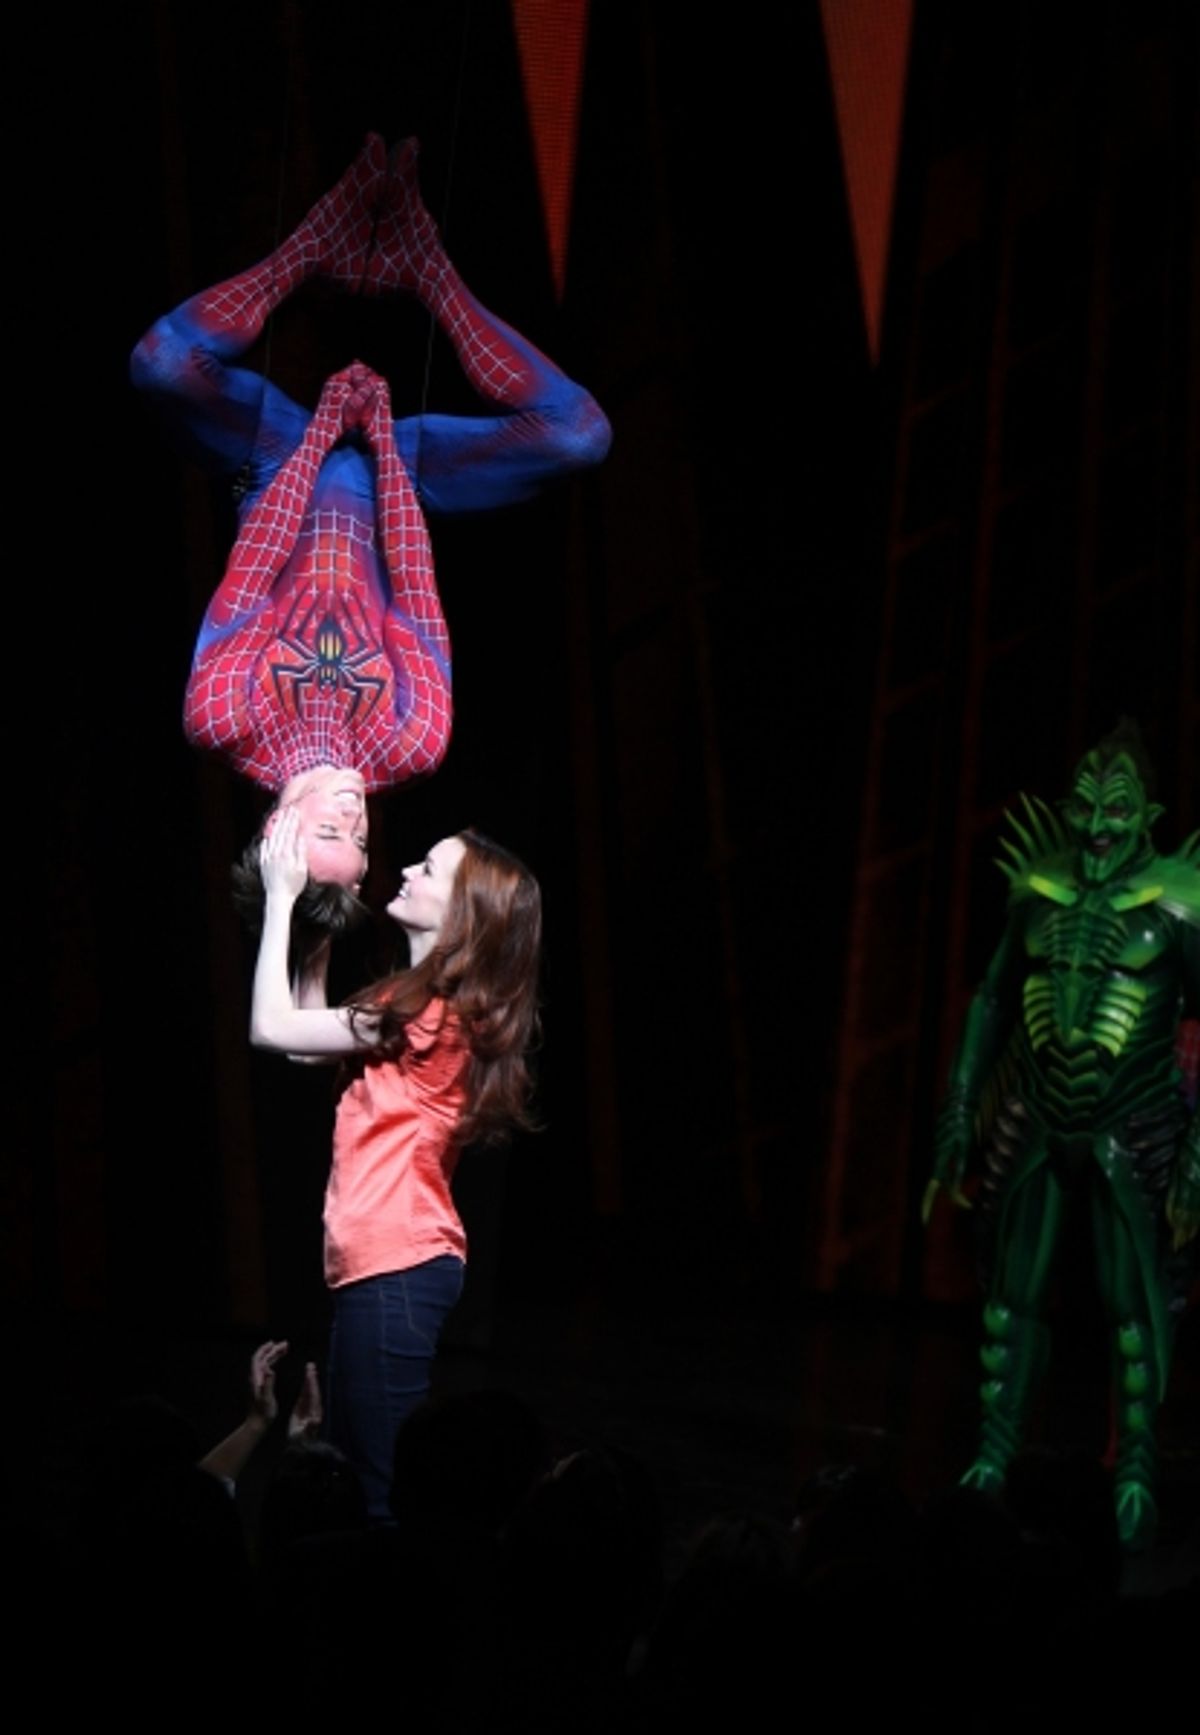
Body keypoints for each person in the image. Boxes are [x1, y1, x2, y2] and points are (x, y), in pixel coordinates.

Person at [130, 131, 610, 940]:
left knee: (159, 361)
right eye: (361, 838)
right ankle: (427, 267)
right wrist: (383, 443)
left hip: (278, 457)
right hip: (394, 486)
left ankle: (316, 242)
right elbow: (415, 584)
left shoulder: (222, 718)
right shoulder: (411, 742)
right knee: (580, 434)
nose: (355, 817)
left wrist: (319, 431)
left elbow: (253, 567)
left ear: (278, 832)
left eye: (331, 832)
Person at [922, 719, 1198, 1551]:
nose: (1096, 824)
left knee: (1133, 1314)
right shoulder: (1035, 891)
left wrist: (1196, 1155)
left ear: (1144, 813)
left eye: (1114, 807)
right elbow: (994, 999)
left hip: (1136, 1122)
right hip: (1038, 1117)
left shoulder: (1180, 902)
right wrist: (958, 1116)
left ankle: (1137, 1470)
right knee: (1012, 1303)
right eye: (1083, 805)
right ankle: (994, 1457)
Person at [249, 806, 542, 1519]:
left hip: (399, 1266)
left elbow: (268, 1026)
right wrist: (317, 936)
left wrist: (283, 897)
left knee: (383, 1487)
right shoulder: (406, 1002)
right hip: (380, 1265)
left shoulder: (428, 1015)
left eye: (429, 868)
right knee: (356, 1471)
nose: (407, 869)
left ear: (464, 913)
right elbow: (303, 1043)